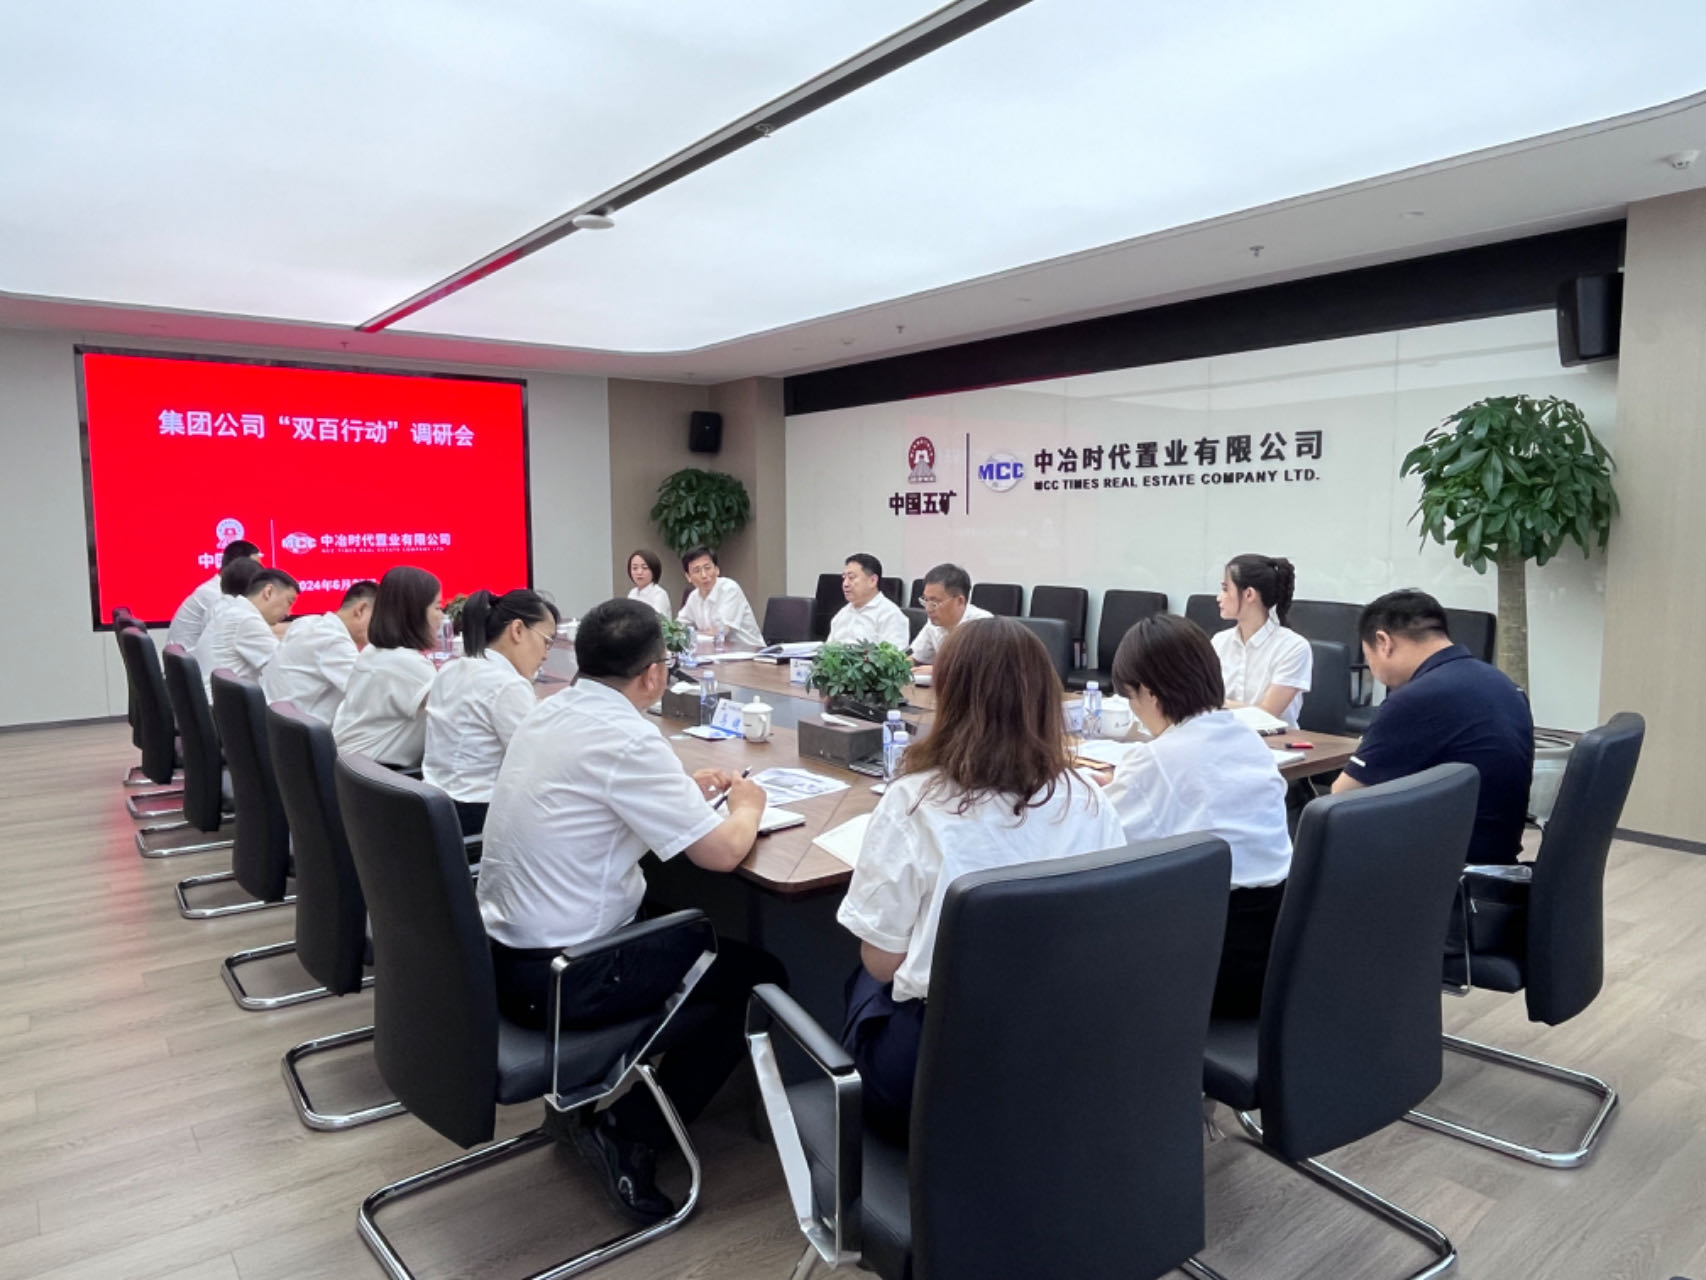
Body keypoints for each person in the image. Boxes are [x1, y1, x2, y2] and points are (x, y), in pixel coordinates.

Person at [476, 598, 786, 1218]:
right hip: (567, 976)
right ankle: (629, 1130)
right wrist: (748, 806)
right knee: (758, 977)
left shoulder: (550, 709)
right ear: (653, 674)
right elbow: (723, 852)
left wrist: (677, 792)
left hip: (501, 958)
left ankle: (586, 1106)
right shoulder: (627, 737)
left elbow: (592, 799)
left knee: (679, 915)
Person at [835, 616, 1125, 1137]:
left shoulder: (913, 801)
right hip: (1061, 1052)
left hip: (937, 1075)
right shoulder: (1089, 798)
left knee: (862, 978)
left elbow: (881, 963)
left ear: (948, 698)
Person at [1101, 613, 1291, 1017]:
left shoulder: (1155, 760)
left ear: (1149, 693)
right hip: (1278, 954)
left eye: (1131, 699)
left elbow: (1101, 842)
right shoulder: (1248, 739)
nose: (1135, 713)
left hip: (1208, 969)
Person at [1333, 590, 1533, 865]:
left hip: (1443, 867)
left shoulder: (1416, 698)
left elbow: (1342, 797)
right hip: (1497, 858)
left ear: (1383, 642)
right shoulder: (1503, 684)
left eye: (1368, 657)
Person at [423, 588, 560, 838]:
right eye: (546, 641)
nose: (545, 655)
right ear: (517, 630)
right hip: (478, 816)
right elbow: (539, 764)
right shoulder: (507, 684)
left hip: (432, 809)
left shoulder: (451, 669)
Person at [332, 566, 444, 770]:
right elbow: (455, 711)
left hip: (350, 771)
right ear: (414, 613)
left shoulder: (374, 652)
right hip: (378, 776)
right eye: (437, 607)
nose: (442, 617)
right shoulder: (407, 664)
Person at [1213, 553, 1313, 727]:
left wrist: (1216, 704)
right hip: (1223, 733)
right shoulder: (1219, 642)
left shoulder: (1294, 647)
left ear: (1249, 594)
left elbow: (1267, 714)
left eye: (1225, 589)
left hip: (1274, 739)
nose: (1218, 597)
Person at [262, 580, 377, 724]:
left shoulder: (307, 622)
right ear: (361, 610)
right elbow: (373, 696)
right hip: (300, 731)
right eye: (378, 619)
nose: (379, 628)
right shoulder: (334, 640)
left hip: (278, 725)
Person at [193, 567, 299, 696]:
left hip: (213, 700)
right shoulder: (246, 619)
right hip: (223, 704)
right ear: (268, 592)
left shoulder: (235, 610)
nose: (288, 613)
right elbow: (284, 667)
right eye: (289, 602)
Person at [167, 540, 261, 650]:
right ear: (238, 567)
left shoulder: (219, 588)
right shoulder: (215, 594)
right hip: (193, 657)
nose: (259, 573)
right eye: (255, 567)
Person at [676, 545, 763, 649]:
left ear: (717, 570)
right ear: (688, 577)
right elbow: (678, 627)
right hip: (717, 653)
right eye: (697, 571)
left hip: (750, 652)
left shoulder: (730, 589)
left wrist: (692, 634)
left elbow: (720, 632)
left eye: (707, 568)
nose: (704, 575)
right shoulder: (694, 597)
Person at [908, 562, 991, 671]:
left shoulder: (984, 626)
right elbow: (915, 657)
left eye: (935, 602)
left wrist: (936, 671)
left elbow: (979, 672)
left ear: (960, 601)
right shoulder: (934, 622)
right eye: (926, 600)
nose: (928, 609)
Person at [827, 552, 909, 648]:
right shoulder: (843, 613)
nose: (845, 584)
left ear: (872, 581)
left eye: (851, 578)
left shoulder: (890, 615)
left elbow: (893, 655)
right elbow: (828, 649)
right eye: (844, 578)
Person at [625, 549, 671, 617]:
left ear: (654, 570)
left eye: (645, 568)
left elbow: (657, 620)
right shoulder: (632, 593)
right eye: (635, 568)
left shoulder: (659, 594)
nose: (639, 572)